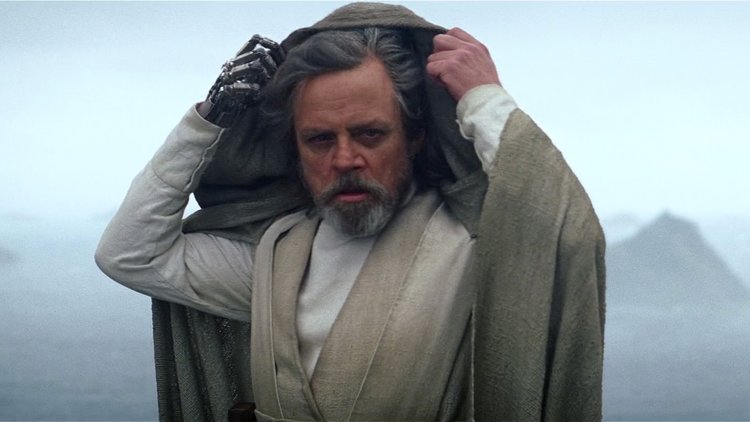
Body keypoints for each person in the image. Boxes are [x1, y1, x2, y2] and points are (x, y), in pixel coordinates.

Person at [96, 3, 605, 421]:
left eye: (370, 134)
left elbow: (568, 239)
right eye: (320, 139)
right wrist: (208, 120)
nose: (344, 160)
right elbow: (130, 254)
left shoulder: (470, 245)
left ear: (414, 137)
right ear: (295, 152)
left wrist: (484, 99)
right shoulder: (275, 258)